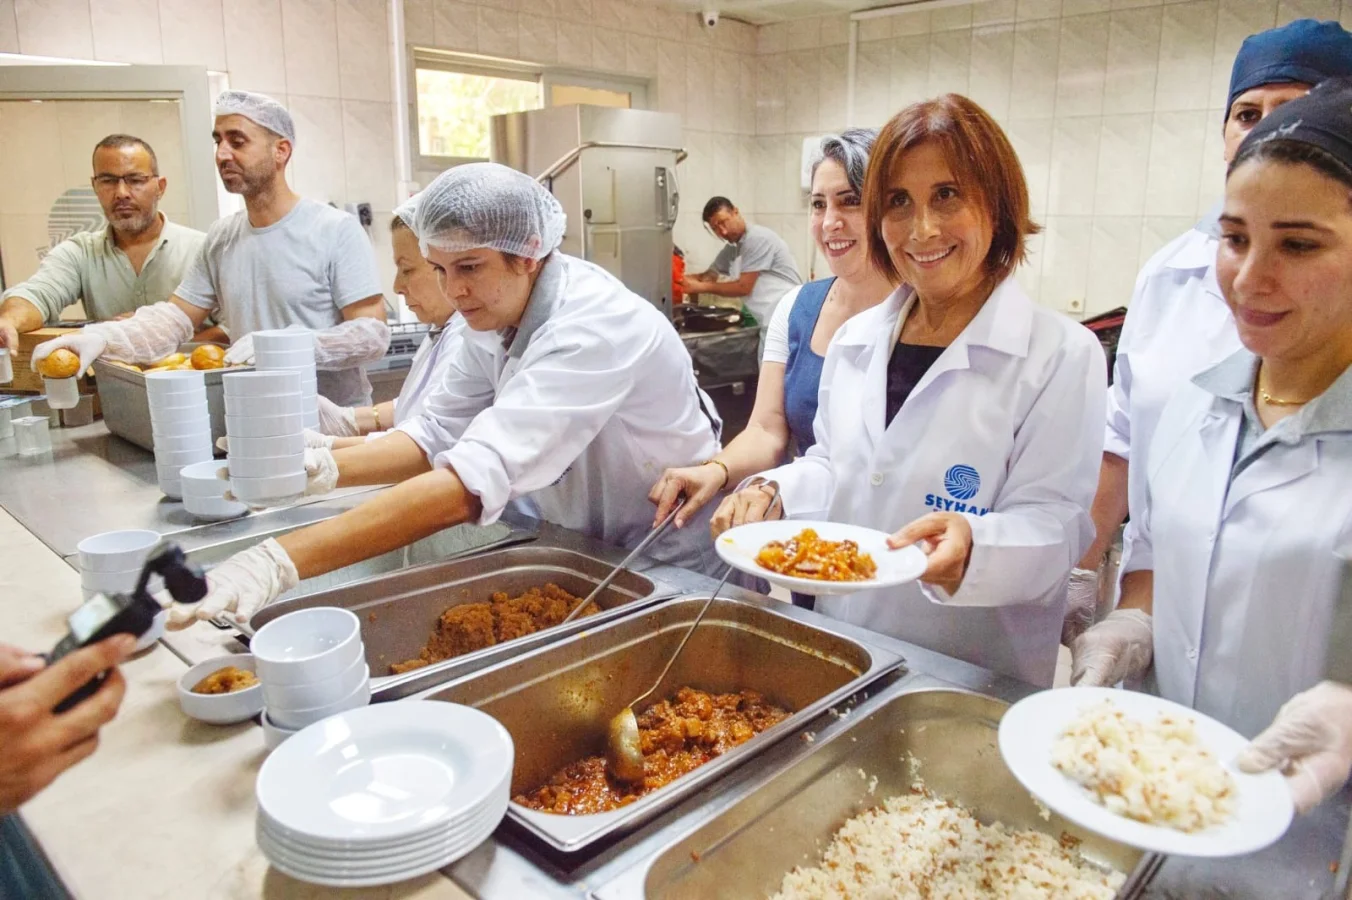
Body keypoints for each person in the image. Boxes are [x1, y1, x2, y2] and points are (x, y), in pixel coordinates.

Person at [165, 163, 723, 628]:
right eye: (439, 268)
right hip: (582, 543)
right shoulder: (495, 316)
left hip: (664, 557)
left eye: (470, 267)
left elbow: (469, 483)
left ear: (528, 252)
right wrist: (317, 470)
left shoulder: (593, 327)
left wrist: (277, 562)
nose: (454, 289)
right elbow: (431, 436)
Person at [714, 95, 1106, 687]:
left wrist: (976, 546)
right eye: (899, 202)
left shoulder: (1059, 355)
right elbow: (835, 464)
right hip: (849, 647)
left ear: (998, 206)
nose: (922, 229)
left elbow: (1056, 526)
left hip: (968, 670)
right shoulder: (857, 340)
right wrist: (777, 487)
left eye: (946, 196)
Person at [1070, 80, 1352, 813]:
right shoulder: (1195, 407)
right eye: (1235, 239)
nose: (1251, 278)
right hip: (1171, 794)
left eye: (1298, 243)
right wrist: (1136, 623)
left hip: (1322, 826)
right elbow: (1168, 556)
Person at [1065, 18, 1352, 643]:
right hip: (1163, 648)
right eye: (1249, 114)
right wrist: (1111, 594)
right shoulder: (1173, 284)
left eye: (1299, 244)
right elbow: (1128, 443)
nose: (1251, 281)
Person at [650, 130, 893, 609]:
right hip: (816, 544)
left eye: (850, 202)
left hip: (901, 555)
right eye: (819, 205)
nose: (830, 223)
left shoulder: (922, 318)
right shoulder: (797, 309)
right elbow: (767, 427)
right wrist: (716, 471)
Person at [29, 91, 389, 407]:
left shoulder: (334, 229)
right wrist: (100, 338)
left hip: (336, 426)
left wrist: (291, 347)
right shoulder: (222, 237)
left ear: (281, 151)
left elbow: (371, 334)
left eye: (238, 141)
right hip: (253, 418)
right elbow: (173, 320)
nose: (222, 154)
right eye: (218, 141)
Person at [0, 135, 207, 353]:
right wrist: (8, 321)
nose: (122, 193)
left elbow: (228, 329)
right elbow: (37, 294)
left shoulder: (202, 249)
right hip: (105, 386)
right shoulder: (80, 252)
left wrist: (148, 337)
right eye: (108, 181)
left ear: (160, 187)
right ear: (95, 186)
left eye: (135, 180)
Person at [309, 194, 465, 450]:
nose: (397, 287)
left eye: (407, 269)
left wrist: (329, 448)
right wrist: (350, 420)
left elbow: (432, 442)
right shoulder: (443, 329)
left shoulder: (469, 339)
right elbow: (419, 405)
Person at [682, 196, 802, 333]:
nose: (723, 231)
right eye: (715, 228)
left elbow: (744, 287)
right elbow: (709, 276)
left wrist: (700, 287)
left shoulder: (757, 238)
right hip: (768, 321)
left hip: (787, 319)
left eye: (723, 222)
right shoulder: (733, 248)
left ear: (735, 212)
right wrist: (682, 281)